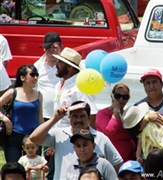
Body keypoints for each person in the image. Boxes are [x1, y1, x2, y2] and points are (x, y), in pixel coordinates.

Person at [29, 100, 123, 180]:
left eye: (82, 116)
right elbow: (34, 138)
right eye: (74, 116)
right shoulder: (59, 134)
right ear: (69, 118)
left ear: (89, 119)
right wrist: (55, 118)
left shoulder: (101, 138)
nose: (78, 120)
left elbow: (118, 165)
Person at [0, 64, 44, 162]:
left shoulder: (39, 95)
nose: (35, 78)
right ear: (22, 77)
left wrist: (44, 135)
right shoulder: (13, 92)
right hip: (14, 138)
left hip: (33, 138)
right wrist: (5, 119)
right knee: (13, 170)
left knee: (33, 172)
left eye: (37, 75)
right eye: (32, 75)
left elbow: (40, 117)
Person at [34, 31, 62, 180]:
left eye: (54, 47)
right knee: (40, 149)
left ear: (61, 47)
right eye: (47, 47)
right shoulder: (37, 66)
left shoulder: (65, 65)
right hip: (43, 115)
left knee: (55, 150)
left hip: (61, 116)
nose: (51, 50)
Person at [52, 47, 98, 128]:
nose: (56, 64)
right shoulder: (59, 84)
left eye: (59, 62)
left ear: (69, 67)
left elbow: (92, 115)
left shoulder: (81, 86)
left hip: (74, 136)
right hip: (59, 133)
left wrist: (89, 138)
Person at [96, 83, 136, 162]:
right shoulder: (103, 113)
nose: (121, 99)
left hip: (130, 160)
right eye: (118, 96)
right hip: (110, 161)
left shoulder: (128, 115)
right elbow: (110, 131)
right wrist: (116, 112)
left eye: (125, 97)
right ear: (112, 96)